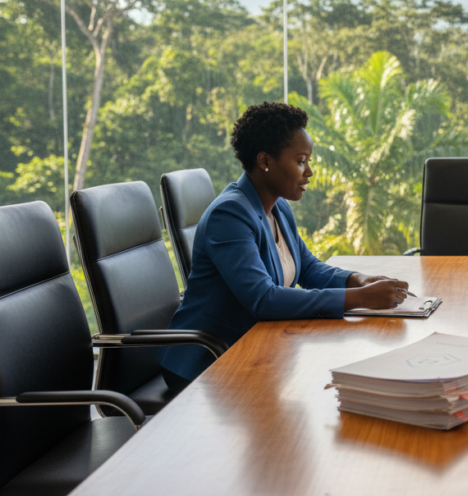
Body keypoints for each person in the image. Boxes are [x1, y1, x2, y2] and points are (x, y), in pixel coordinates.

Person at [158, 102, 409, 391]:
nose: (309, 172)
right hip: (207, 361)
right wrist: (359, 298)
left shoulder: (277, 207)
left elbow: (307, 267)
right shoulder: (229, 215)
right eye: (301, 161)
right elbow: (263, 299)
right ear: (265, 161)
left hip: (256, 349)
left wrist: (359, 280)